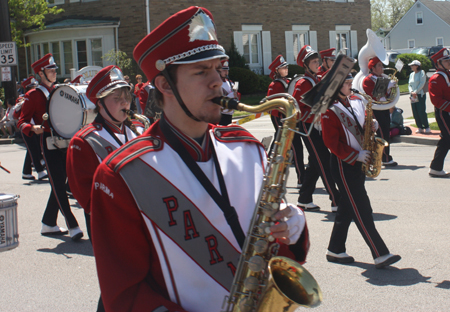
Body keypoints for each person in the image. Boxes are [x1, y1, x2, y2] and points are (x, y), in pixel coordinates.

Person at [90, 6, 309, 311]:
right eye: (201, 71)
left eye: (220, 69)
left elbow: (273, 253)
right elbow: (127, 297)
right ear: (165, 85)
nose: (218, 82)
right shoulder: (122, 174)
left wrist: (291, 228)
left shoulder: (249, 150)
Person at [66, 65, 144, 312]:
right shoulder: (84, 140)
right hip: (110, 224)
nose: (125, 103)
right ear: (100, 103)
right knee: (118, 285)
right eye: (116, 99)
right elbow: (87, 197)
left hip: (141, 219)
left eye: (126, 97)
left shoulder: (133, 131)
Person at [321, 73, 401, 269]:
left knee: (348, 209)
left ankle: (335, 249)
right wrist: (353, 156)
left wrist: (370, 125)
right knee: (362, 207)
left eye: (350, 82)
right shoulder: (329, 110)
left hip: (360, 159)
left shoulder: (354, 101)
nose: (351, 86)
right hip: (343, 163)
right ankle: (380, 253)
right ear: (336, 86)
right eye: (347, 83)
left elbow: (359, 125)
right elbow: (330, 141)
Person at [18, 53, 83, 240]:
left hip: (65, 141)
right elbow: (21, 122)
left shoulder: (60, 91)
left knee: (60, 183)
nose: (54, 72)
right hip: (48, 142)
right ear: (41, 73)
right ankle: (73, 225)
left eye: (55, 69)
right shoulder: (33, 95)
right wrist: (34, 128)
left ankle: (48, 223)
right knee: (59, 184)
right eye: (50, 70)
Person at [292, 45, 340, 212]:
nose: (316, 63)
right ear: (305, 65)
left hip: (320, 126)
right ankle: (336, 200)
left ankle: (304, 199)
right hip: (309, 128)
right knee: (324, 162)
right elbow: (296, 109)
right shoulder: (303, 83)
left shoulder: (317, 79)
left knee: (315, 164)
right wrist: (315, 115)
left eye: (316, 60)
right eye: (312, 61)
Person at [267, 54, 305, 188]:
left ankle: (268, 160)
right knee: (283, 140)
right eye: (283, 67)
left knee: (283, 142)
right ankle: (267, 162)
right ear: (277, 70)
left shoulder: (287, 82)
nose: (286, 69)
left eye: (286, 67)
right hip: (279, 116)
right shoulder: (275, 84)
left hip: (288, 116)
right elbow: (272, 102)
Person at [362, 56, 398, 167]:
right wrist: (386, 87)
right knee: (382, 133)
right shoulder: (368, 80)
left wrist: (390, 89)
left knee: (385, 132)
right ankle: (385, 158)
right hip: (376, 109)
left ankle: (383, 156)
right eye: (379, 65)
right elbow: (372, 95)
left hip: (383, 108)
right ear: (373, 68)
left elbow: (385, 95)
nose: (382, 68)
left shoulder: (382, 78)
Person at [15, 77, 47, 180]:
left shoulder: (38, 96)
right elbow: (16, 115)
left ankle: (26, 172)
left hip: (36, 127)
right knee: (33, 150)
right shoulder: (22, 99)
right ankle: (40, 171)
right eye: (33, 87)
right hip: (27, 128)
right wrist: (21, 104)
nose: (35, 88)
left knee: (32, 150)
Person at [428, 48, 450, 177]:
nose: (449, 62)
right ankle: (435, 168)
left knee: (446, 140)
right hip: (443, 113)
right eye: (446, 61)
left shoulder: (447, 74)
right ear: (438, 63)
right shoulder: (435, 78)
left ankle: (435, 168)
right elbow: (436, 100)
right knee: (447, 138)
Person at [408, 60, 430, 134]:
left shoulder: (421, 72)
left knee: (421, 111)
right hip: (413, 96)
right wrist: (411, 92)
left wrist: (416, 92)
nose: (411, 67)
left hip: (420, 94)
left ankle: (426, 126)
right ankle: (419, 127)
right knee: (415, 111)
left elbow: (422, 83)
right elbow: (409, 84)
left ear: (417, 66)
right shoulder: (411, 74)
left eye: (412, 65)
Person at [218, 59, 237, 125]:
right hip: (221, 114)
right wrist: (231, 95)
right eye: (224, 70)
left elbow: (236, 97)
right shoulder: (217, 84)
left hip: (229, 113)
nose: (226, 72)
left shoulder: (230, 83)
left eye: (227, 70)